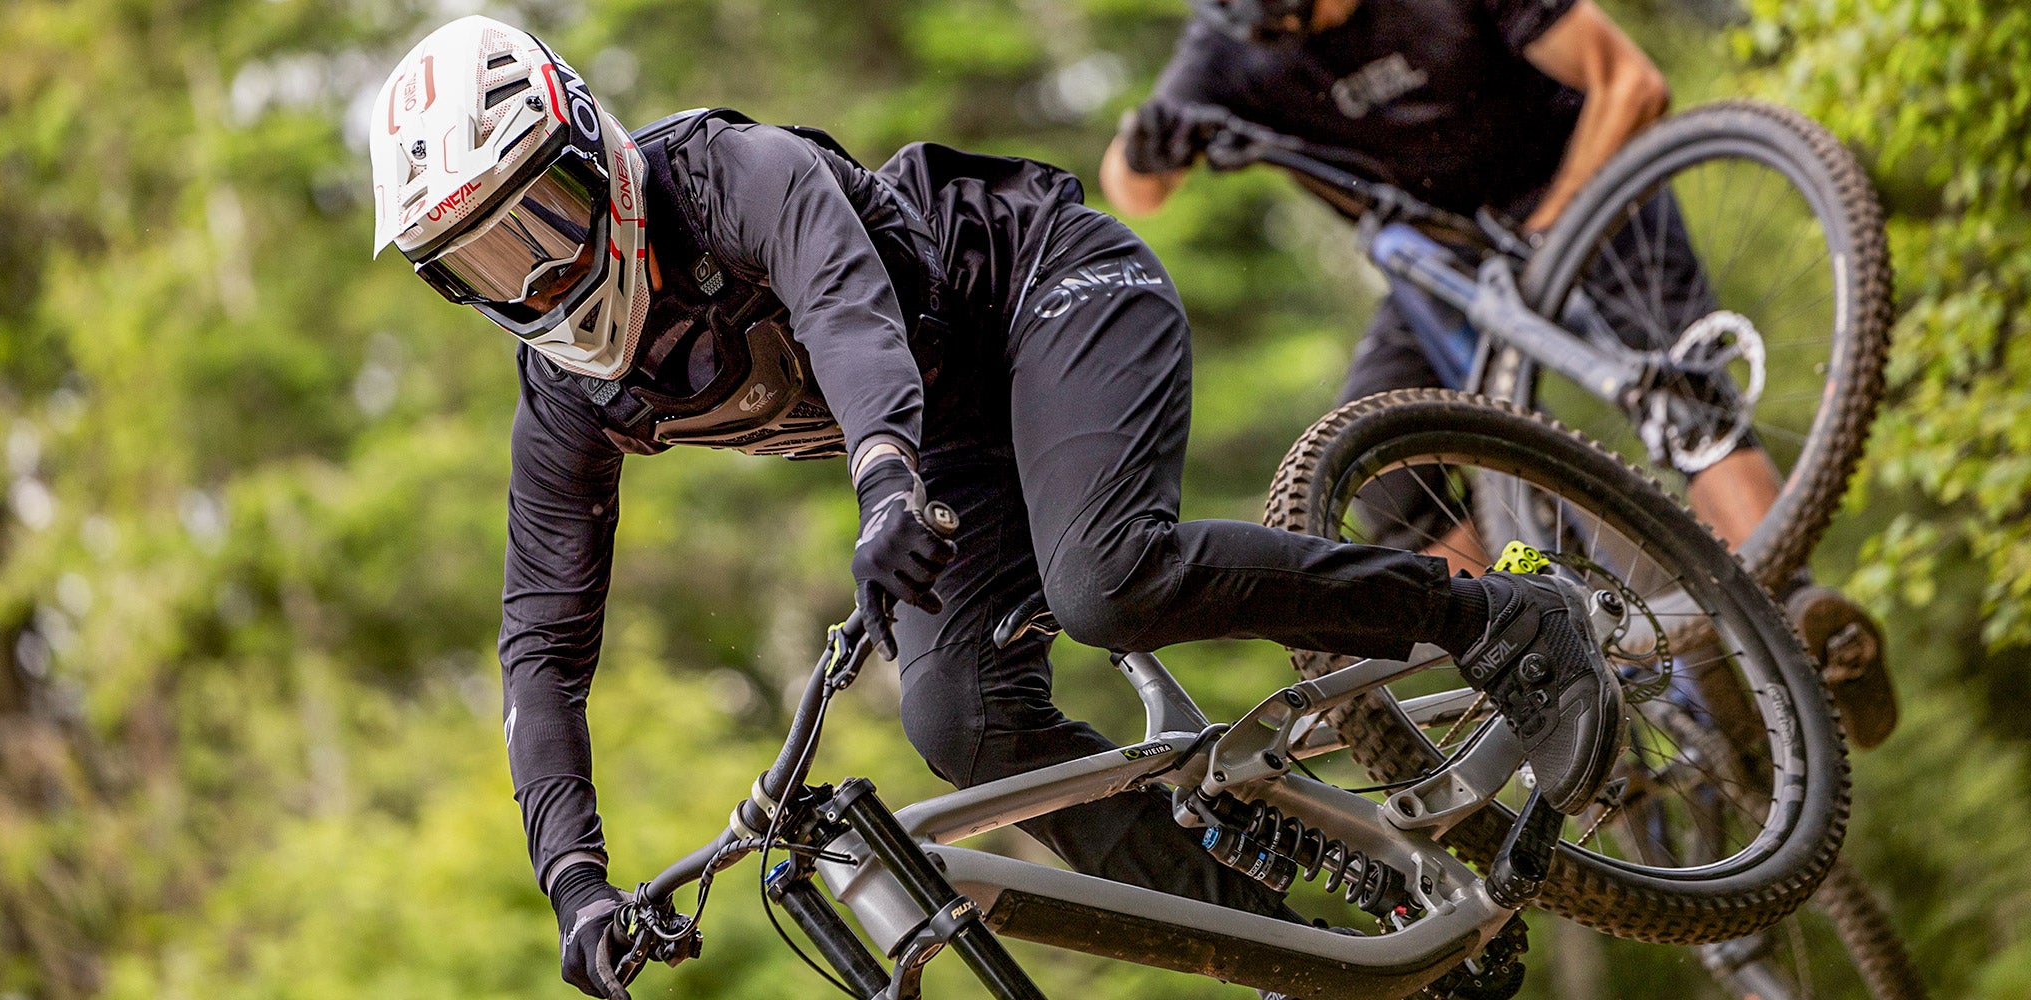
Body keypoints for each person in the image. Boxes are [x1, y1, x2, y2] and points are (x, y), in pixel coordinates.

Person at [370, 17, 1624, 997]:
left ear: (595, 152)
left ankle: (1498, 620)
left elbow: (847, 303)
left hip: (1047, 287)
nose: (533, 275)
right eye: (480, 263)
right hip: (949, 444)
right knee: (962, 726)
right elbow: (541, 651)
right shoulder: (568, 399)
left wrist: (882, 483)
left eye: (543, 216)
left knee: (1106, 582)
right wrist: (575, 884)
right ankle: (1298, 956)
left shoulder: (729, 176)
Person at [1100, 0, 1896, 748]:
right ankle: (1568, 662)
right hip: (1447, 265)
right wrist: (1146, 147)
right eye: (1294, 18)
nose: (1315, 24)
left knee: (1677, 393)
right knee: (1382, 474)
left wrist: (1552, 229)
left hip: (1579, 182)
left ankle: (1796, 617)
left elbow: (1631, 82)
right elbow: (1133, 188)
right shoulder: (1233, 45)